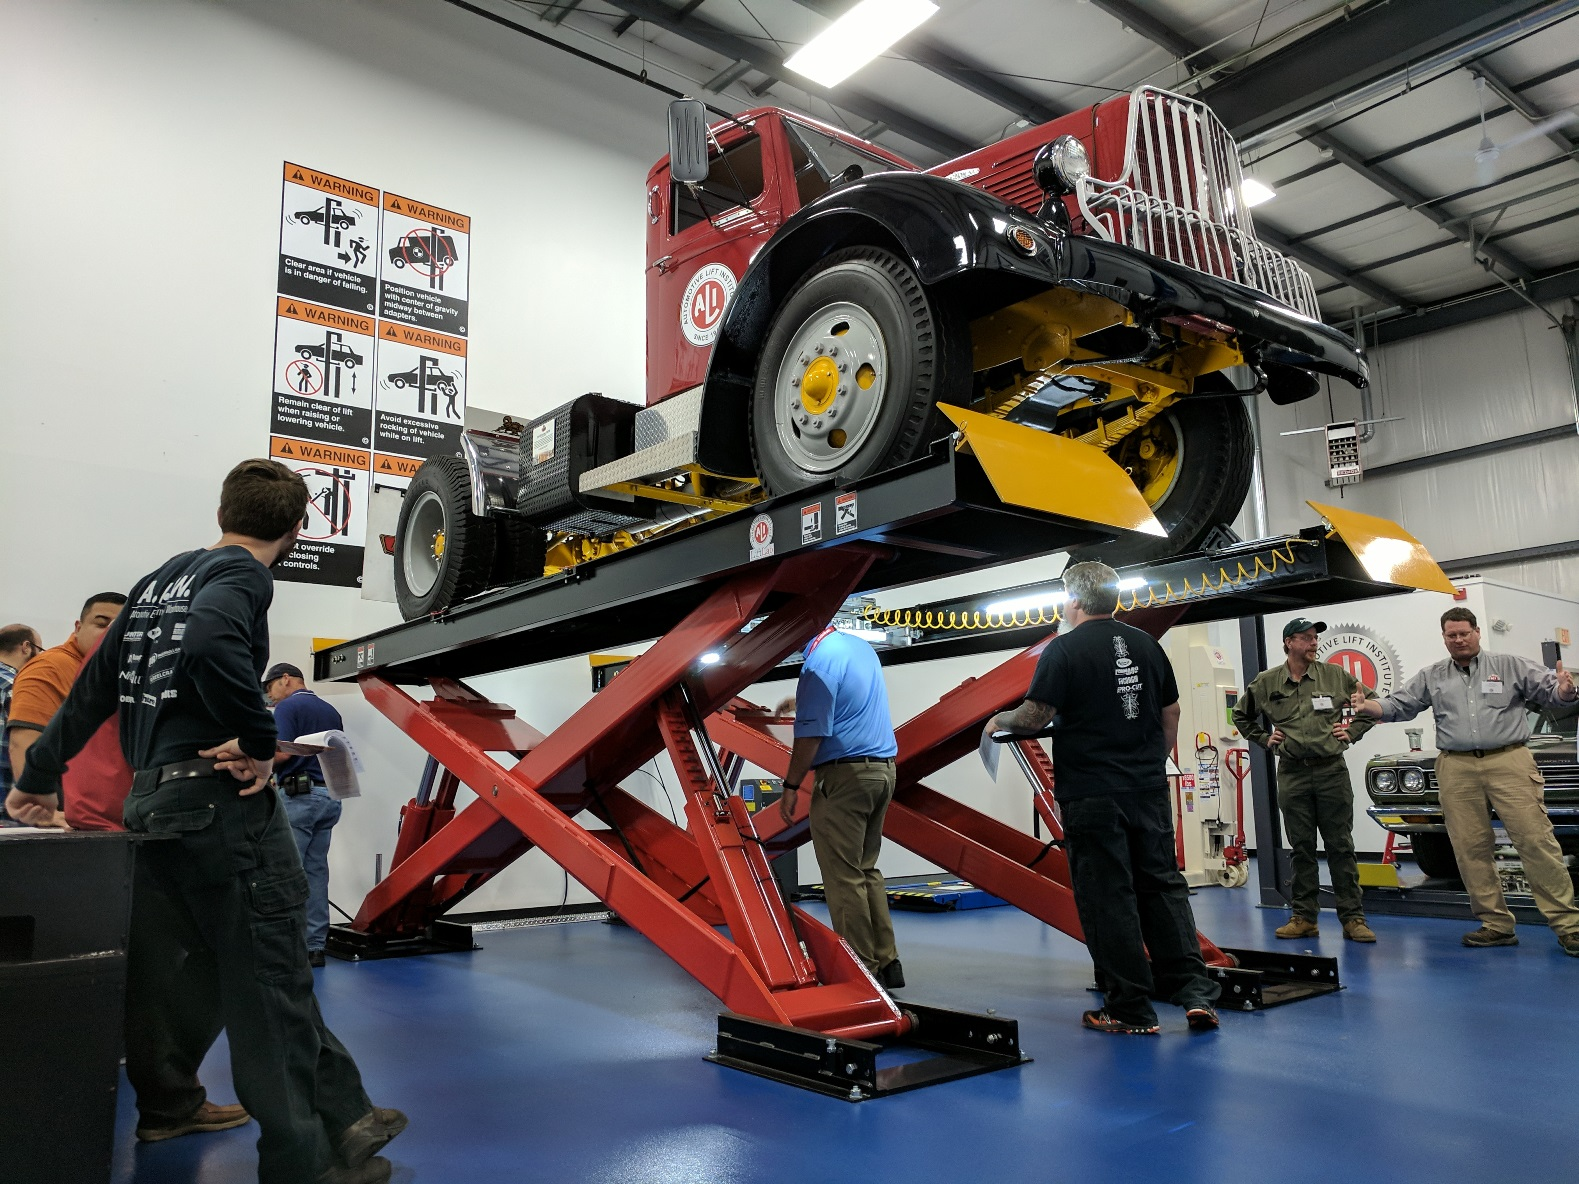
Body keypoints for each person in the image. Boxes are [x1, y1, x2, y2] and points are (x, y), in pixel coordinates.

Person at [8, 459, 405, 1184]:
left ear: (223, 510)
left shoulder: (160, 579)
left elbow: (95, 689)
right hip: (218, 806)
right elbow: (211, 642)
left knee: (193, 976)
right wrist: (258, 741)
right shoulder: (246, 579)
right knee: (271, 982)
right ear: (293, 530)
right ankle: (304, 1162)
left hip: (152, 808)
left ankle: (339, 1114)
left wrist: (36, 778)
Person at [987, 561, 1220, 1035]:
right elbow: (1170, 711)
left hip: (1092, 793)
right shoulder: (1148, 646)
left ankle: (1131, 1008)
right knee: (1163, 886)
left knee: (1107, 898)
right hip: (1147, 790)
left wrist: (998, 721)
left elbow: (1033, 718)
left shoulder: (1062, 650)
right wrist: (1152, 761)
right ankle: (1195, 995)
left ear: (1073, 601)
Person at [1351, 607, 1579, 955]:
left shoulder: (1511, 666)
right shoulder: (1432, 675)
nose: (1458, 640)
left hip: (1509, 760)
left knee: (1536, 841)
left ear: (1477, 632)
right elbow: (1402, 704)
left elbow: (1553, 693)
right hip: (1456, 767)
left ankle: (1568, 926)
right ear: (1444, 638)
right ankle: (1496, 925)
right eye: (1451, 635)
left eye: (1464, 633)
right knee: (1470, 848)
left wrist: (1565, 691)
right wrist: (1369, 707)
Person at [1233, 618, 1380, 943]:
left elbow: (1372, 705)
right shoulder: (1267, 681)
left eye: (1315, 638)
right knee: (1301, 848)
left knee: (1340, 845)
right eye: (1305, 638)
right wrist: (1263, 739)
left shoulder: (1335, 675)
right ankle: (1304, 918)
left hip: (1331, 772)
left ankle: (1353, 919)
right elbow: (1240, 715)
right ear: (1288, 643)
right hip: (1293, 773)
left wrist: (1351, 732)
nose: (1313, 643)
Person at [778, 624, 904, 989]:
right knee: (866, 870)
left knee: (843, 877)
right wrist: (802, 702)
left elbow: (811, 734)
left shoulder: (818, 662)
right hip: (881, 771)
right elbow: (848, 699)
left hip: (844, 777)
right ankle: (887, 961)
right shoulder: (857, 647)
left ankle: (859, 971)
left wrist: (790, 785)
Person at [6, 594, 126, 827]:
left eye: (120, 627)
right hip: (68, 817)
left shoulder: (115, 671)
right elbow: (23, 742)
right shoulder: (50, 667)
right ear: (78, 627)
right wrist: (43, 811)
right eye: (101, 623)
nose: (109, 633)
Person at [265, 662, 345, 967]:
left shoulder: (287, 708)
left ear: (285, 679)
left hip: (300, 797)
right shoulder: (330, 710)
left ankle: (285, 948)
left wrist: (256, 761)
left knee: (288, 871)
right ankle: (314, 947)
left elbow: (283, 753)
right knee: (315, 872)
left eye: (270, 688)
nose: (270, 698)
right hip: (329, 796)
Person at [0, 624, 44, 822]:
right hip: (8, 814)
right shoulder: (18, 687)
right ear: (26, 647)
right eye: (40, 651)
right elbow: (25, 747)